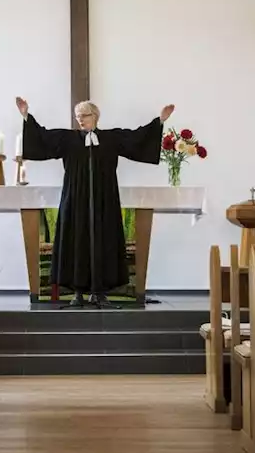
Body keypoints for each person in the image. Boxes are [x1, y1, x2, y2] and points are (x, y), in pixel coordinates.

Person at [16, 96, 173, 308]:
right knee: (76, 240)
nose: (81, 120)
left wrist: (160, 121)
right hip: (75, 198)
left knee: (104, 240)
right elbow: (43, 137)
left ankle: (100, 292)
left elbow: (136, 138)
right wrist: (26, 115)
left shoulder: (111, 138)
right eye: (77, 116)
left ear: (95, 117)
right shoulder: (67, 139)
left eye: (85, 116)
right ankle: (77, 293)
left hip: (104, 199)